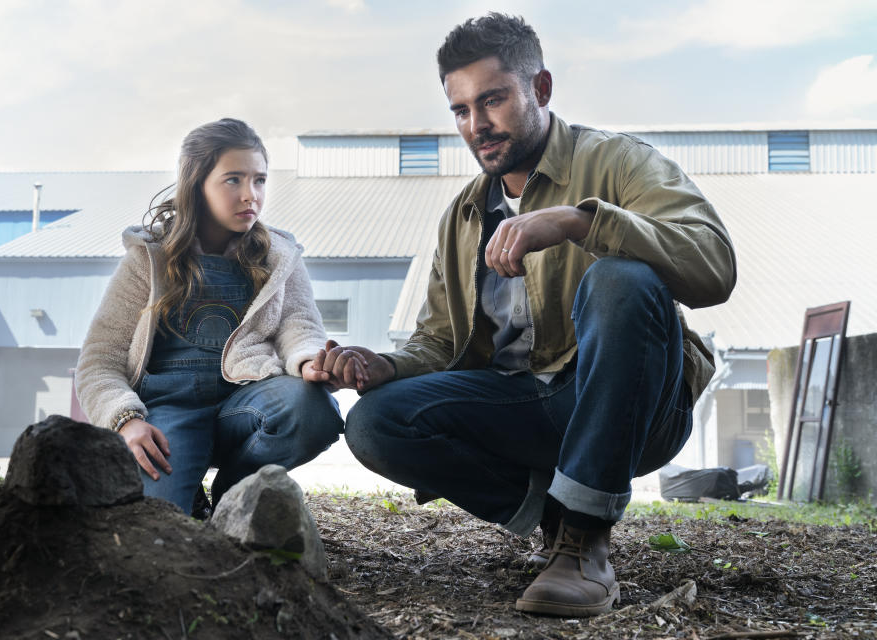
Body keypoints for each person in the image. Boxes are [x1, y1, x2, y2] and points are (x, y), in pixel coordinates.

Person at [315, 13, 736, 617]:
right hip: (524, 406)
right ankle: (557, 516)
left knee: (621, 278)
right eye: (460, 109)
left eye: (493, 100)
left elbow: (715, 265)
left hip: (634, 404)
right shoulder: (464, 214)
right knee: (376, 423)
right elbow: (440, 342)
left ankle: (586, 543)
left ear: (539, 89)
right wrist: (383, 365)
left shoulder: (618, 162)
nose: (477, 125)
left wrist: (578, 222)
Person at [75, 118, 343, 516]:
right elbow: (100, 361)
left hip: (247, 402)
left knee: (314, 409)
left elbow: (299, 328)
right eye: (233, 180)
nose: (250, 195)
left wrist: (309, 361)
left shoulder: (280, 256)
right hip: (168, 414)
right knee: (161, 524)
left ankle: (235, 498)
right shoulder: (148, 259)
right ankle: (186, 492)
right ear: (196, 184)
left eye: (259, 180)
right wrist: (126, 420)